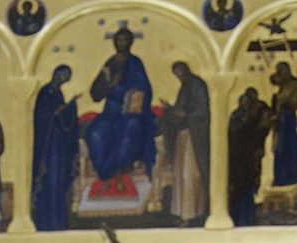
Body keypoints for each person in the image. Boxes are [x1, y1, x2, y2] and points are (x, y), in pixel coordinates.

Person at [86, 24, 157, 184]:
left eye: (124, 40)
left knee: (131, 128)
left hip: (132, 113)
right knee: (96, 132)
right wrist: (107, 86)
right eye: (118, 40)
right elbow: (95, 94)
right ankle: (104, 172)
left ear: (130, 42)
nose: (121, 43)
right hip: (110, 113)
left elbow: (144, 91)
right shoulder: (110, 63)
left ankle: (117, 168)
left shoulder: (135, 63)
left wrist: (117, 90)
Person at [32, 66, 79, 231]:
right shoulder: (46, 92)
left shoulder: (58, 93)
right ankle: (46, 222)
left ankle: (59, 221)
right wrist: (57, 111)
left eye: (67, 78)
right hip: (48, 147)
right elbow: (41, 115)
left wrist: (69, 107)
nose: (65, 80)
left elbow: (63, 119)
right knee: (49, 182)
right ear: (56, 74)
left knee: (58, 182)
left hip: (58, 145)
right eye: (64, 76)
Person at [163, 61, 210, 222]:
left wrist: (186, 115)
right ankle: (181, 213)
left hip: (194, 136)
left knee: (190, 175)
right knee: (181, 174)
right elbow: (180, 109)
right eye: (176, 74)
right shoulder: (185, 86)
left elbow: (202, 111)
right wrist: (171, 110)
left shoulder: (197, 85)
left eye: (180, 73)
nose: (179, 77)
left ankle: (192, 213)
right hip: (183, 135)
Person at [227, 86, 272, 224]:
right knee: (238, 184)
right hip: (237, 155)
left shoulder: (258, 112)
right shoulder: (237, 115)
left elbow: (263, 128)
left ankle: (248, 215)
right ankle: (238, 215)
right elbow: (233, 132)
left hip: (251, 155)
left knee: (250, 182)